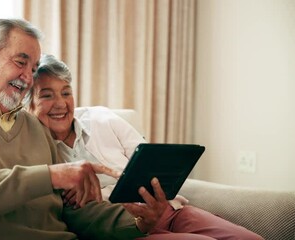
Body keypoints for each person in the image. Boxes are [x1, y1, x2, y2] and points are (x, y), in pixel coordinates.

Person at [0, 18, 168, 240]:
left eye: (34, 67)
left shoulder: (33, 127)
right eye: (20, 62)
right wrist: (51, 176)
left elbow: (71, 214)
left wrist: (137, 220)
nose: (28, 77)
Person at [26, 54, 264, 240]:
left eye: (66, 92)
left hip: (168, 210)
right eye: (47, 95)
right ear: (30, 105)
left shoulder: (101, 118)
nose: (60, 103)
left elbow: (151, 161)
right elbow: (77, 214)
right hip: (124, 227)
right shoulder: (34, 151)